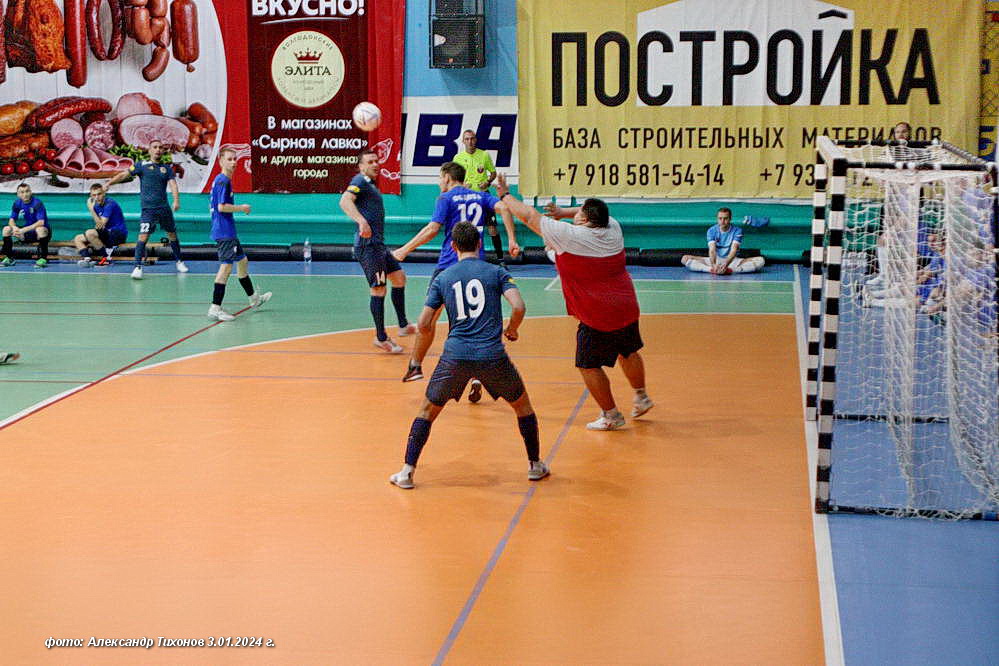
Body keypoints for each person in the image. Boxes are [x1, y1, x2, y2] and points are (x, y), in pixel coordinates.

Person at [389, 222, 549, 489]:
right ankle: (535, 465)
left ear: (453, 246)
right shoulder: (496, 272)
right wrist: (512, 329)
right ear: (479, 244)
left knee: (427, 411)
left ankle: (407, 472)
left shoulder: (443, 277)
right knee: (522, 407)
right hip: (492, 356)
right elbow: (519, 306)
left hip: (455, 356)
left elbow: (425, 322)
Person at [496, 173, 654, 430]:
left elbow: (529, 216)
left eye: (578, 212)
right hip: (626, 306)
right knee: (628, 351)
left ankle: (611, 415)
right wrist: (561, 212)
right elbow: (588, 212)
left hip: (597, 314)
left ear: (585, 220)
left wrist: (504, 195)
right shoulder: (613, 227)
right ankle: (641, 396)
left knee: (587, 365)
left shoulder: (572, 236)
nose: (575, 214)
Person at [392, 161, 519, 395]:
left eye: (440, 178)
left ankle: (416, 366)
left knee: (426, 322)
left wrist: (404, 250)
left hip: (449, 268)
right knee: (473, 323)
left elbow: (432, 229)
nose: (439, 183)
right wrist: (511, 239)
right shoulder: (480, 196)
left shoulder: (445, 198)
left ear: (448, 177)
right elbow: (504, 208)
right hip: (477, 268)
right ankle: (476, 377)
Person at [339, 148, 415, 353]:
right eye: (370, 162)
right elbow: (344, 201)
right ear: (361, 166)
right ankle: (381, 338)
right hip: (368, 247)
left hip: (378, 245)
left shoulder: (370, 184)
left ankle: (403, 325)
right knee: (378, 289)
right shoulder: (359, 181)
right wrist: (361, 221)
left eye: (376, 161)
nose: (375, 164)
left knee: (399, 277)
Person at [104, 139, 187, 279]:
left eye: (160, 147)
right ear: (149, 150)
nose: (158, 149)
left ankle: (179, 261)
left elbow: (173, 184)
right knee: (143, 237)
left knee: (172, 234)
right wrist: (109, 183)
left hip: (164, 209)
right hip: (148, 210)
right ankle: (137, 267)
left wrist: (176, 200)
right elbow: (124, 174)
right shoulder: (141, 165)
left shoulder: (166, 168)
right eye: (155, 147)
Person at [206, 147, 272, 321]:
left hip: (227, 229)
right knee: (226, 267)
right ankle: (215, 308)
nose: (234, 162)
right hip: (224, 231)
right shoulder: (223, 181)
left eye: (235, 159)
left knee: (242, 261)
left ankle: (254, 299)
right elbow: (221, 207)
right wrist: (241, 208)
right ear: (221, 161)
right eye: (229, 159)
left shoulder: (221, 180)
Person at [452, 129, 506, 264]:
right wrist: (463, 185)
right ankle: (464, 259)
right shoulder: (458, 158)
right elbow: (454, 178)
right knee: (466, 229)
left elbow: (493, 173)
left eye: (472, 138)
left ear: (475, 140)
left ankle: (501, 260)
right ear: (463, 141)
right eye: (467, 139)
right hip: (466, 198)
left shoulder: (484, 155)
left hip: (483, 196)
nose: (470, 141)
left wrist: (487, 182)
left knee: (492, 228)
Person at [681, 207, 765, 274]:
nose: (722, 221)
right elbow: (712, 250)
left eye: (725, 218)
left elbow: (734, 250)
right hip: (715, 259)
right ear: (717, 219)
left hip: (732, 261)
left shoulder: (737, 231)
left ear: (730, 218)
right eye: (720, 218)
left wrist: (726, 264)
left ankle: (730, 270)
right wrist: (713, 265)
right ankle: (711, 270)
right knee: (684, 259)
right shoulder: (711, 230)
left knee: (761, 260)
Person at [74, 183, 128, 267]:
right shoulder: (96, 205)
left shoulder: (110, 204)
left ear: (104, 193)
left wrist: (91, 209)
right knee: (78, 238)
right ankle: (87, 260)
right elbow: (98, 226)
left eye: (99, 194)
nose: (96, 197)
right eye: (94, 195)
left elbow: (100, 225)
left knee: (89, 233)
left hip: (118, 234)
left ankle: (106, 259)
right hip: (106, 234)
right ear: (91, 196)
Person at [2, 183, 50, 267]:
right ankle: (9, 258)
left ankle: (43, 259)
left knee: (40, 229)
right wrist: (14, 227)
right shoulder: (17, 203)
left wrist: (23, 230)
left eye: (27, 191)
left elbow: (41, 222)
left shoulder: (37, 203)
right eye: (22, 192)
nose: (25, 194)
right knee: (6, 229)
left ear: (31, 192)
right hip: (26, 233)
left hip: (41, 233)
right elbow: (11, 220)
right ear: (18, 194)